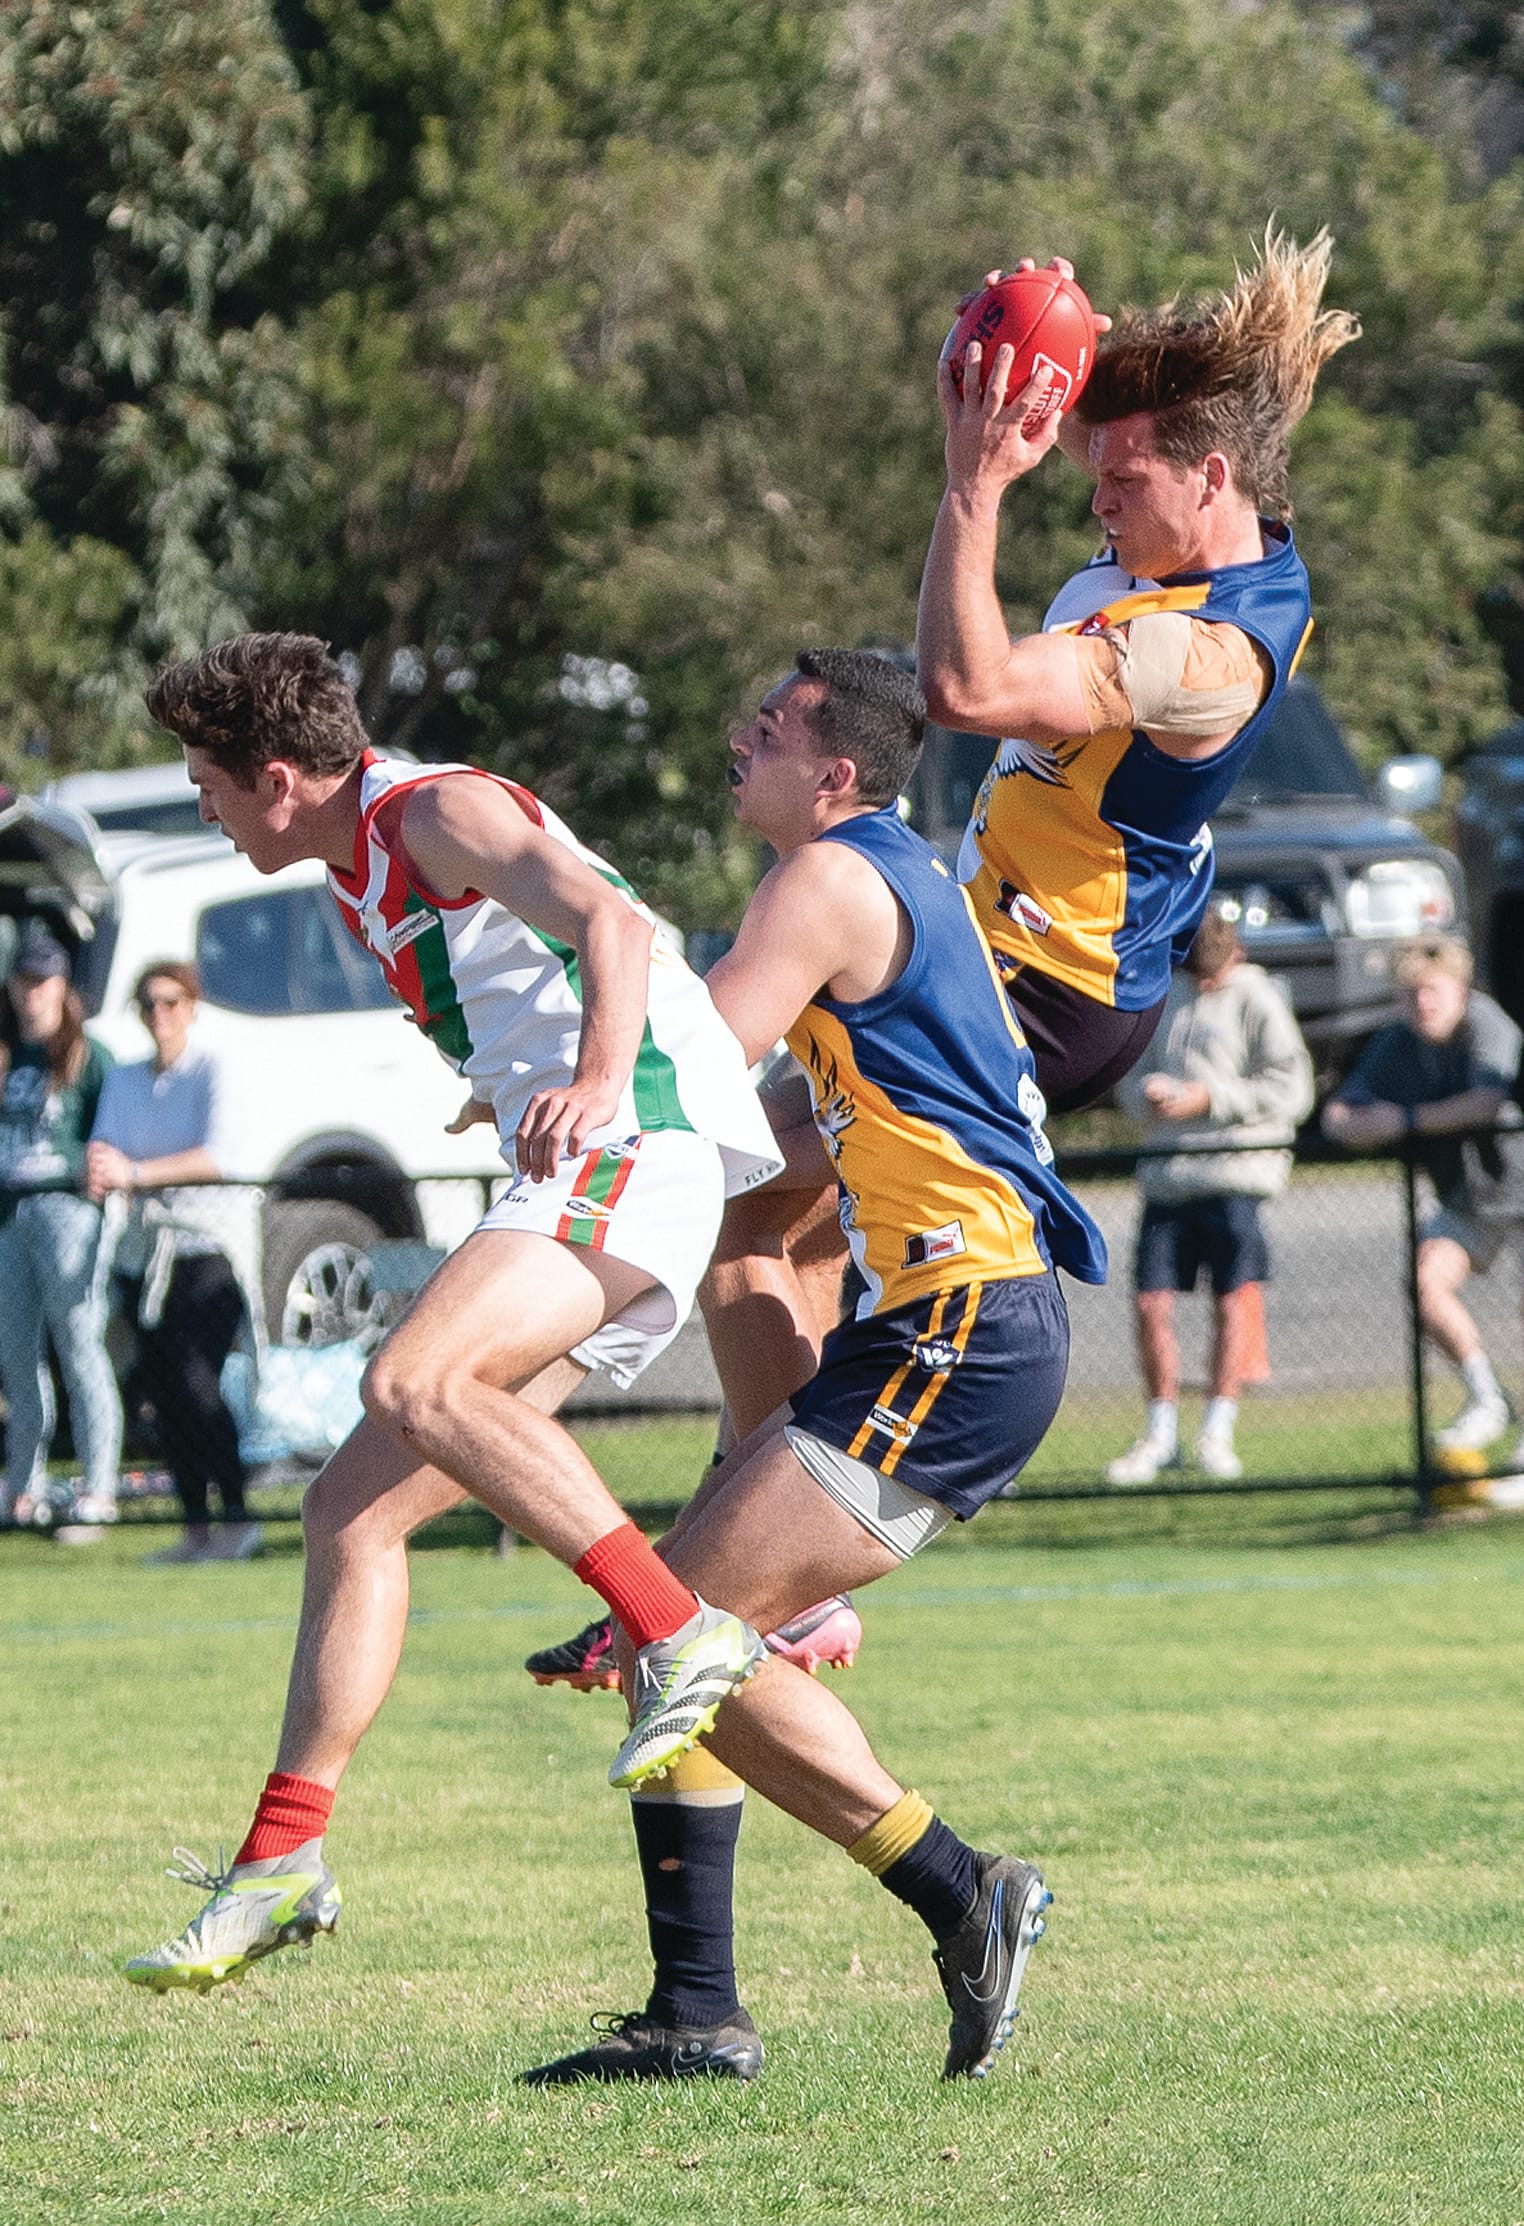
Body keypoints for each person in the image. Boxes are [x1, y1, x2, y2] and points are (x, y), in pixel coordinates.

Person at [639, 231, 1356, 1578]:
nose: (1098, 498)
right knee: (766, 1224)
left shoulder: (1205, 652)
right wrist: (1034, 360)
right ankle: (770, 1512)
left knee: (742, 1185)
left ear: (1210, 480)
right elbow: (1094, 433)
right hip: (998, 949)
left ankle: (767, 1530)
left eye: (1121, 481)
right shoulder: (1192, 532)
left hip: (1050, 986)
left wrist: (970, 484)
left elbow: (963, 693)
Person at [122, 630, 782, 1992]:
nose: (204, 808)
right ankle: (282, 1859)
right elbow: (525, 972)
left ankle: (678, 1629)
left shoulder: (432, 812)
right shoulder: (355, 864)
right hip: (595, 1154)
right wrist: (507, 1082)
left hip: (638, 1139)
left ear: (279, 777)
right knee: (347, 1512)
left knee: (414, 1382)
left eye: (208, 783)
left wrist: (592, 1079)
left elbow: (615, 924)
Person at [523, 648, 1106, 2088]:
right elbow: (766, 1163)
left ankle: (957, 1892)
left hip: (963, 1329)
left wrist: (570, 1038)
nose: (741, 736)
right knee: (677, 1628)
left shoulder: (828, 879)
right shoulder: (892, 878)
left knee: (676, 1633)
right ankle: (697, 2010)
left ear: (835, 773)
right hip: (945, 1328)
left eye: (769, 727)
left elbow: (692, 1066)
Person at [1107, 902, 1313, 1484]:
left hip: (1234, 1177)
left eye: (1211, 974)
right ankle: (1160, 1434)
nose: (1202, 984)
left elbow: (1293, 1089)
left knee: (1231, 1303)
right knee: (1150, 1305)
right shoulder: (1165, 994)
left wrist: (1211, 1097)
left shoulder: (1258, 996)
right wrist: (1146, 1098)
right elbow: (1127, 1077)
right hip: (1167, 1177)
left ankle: (1217, 1432)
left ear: (1235, 954)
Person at [1322, 935, 1524, 1467]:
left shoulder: (1488, 1025)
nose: (1422, 1003)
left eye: (1433, 991)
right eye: (1411, 993)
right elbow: (1339, 1114)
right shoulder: (1397, 1041)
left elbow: (1487, 1101)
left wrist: (1405, 1120)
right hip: (1465, 1199)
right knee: (1425, 1283)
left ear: (1461, 990)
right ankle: (1488, 1399)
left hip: (1520, 1190)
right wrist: (1358, 1124)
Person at [87, 961, 260, 1563]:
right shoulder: (125, 1079)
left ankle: (239, 1515)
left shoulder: (214, 1069)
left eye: (170, 1001)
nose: (158, 1014)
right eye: (148, 1003)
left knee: (198, 1381)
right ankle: (195, 1528)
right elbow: (105, 1151)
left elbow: (218, 1157)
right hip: (144, 1251)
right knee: (162, 1390)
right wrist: (104, 1169)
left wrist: (135, 1173)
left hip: (206, 1247)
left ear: (192, 1008)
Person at [0, 923, 120, 1536]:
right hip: (11, 1212)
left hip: (67, 1209)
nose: (33, 993)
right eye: (25, 980)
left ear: (62, 985)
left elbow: (114, 1132)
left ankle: (99, 1486)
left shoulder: (88, 1054)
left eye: (43, 981)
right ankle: (23, 1486)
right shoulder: (7, 1052)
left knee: (79, 1345)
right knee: (16, 1357)